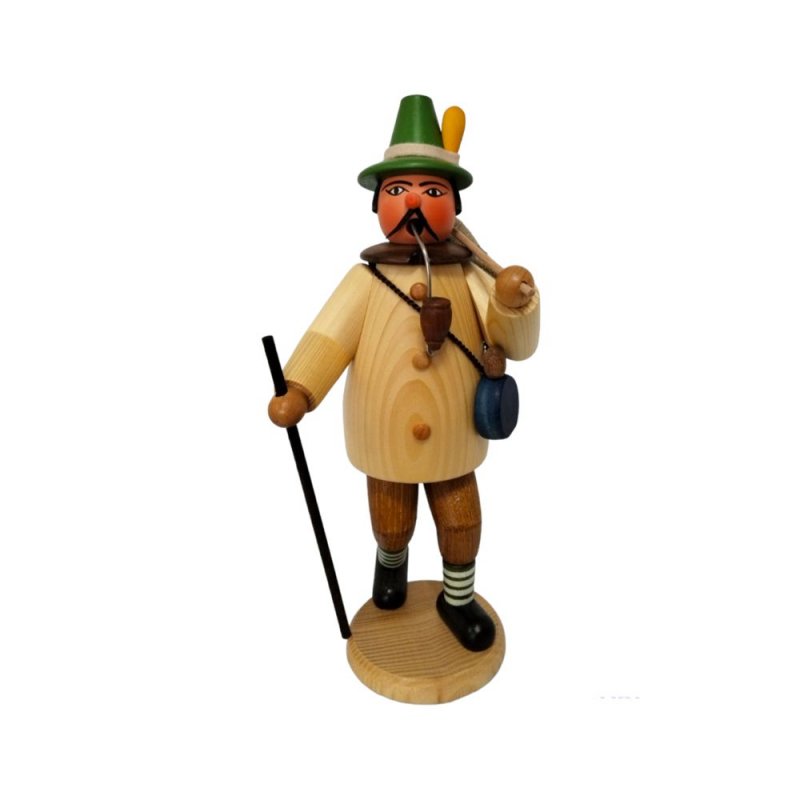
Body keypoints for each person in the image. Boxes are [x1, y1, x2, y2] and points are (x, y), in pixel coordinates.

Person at [268, 95, 540, 651]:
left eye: (432, 192)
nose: (414, 201)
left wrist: (513, 303)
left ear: (455, 207)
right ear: (377, 205)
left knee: (461, 521)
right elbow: (329, 337)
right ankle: (390, 566)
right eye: (398, 190)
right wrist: (300, 388)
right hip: (383, 433)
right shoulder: (366, 280)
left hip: (455, 438)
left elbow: (516, 343)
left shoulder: (471, 277)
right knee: (390, 519)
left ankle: (456, 598)